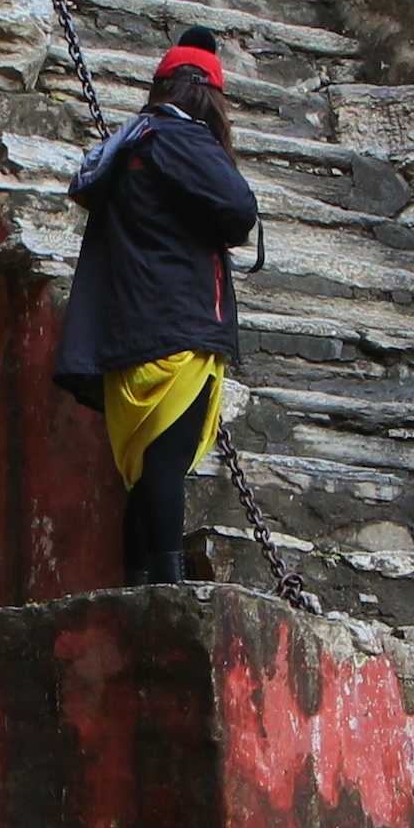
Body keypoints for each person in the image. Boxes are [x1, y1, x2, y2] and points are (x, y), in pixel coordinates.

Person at [56, 31, 259, 586]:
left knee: (146, 468)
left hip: (126, 332)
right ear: (207, 98)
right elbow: (239, 207)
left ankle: (139, 583)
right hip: (179, 324)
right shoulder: (181, 138)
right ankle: (168, 588)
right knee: (166, 461)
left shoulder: (131, 142)